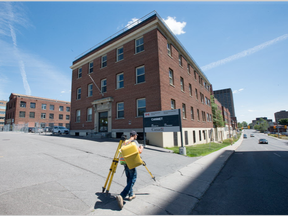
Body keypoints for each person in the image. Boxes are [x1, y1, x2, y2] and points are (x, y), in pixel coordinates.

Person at [116, 130, 143, 209]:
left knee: (129, 178)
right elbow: (139, 151)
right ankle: (122, 195)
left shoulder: (125, 142)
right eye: (136, 135)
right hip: (131, 163)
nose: (136, 136)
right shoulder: (134, 142)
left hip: (125, 163)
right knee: (133, 178)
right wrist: (142, 147)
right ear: (134, 135)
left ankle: (131, 194)